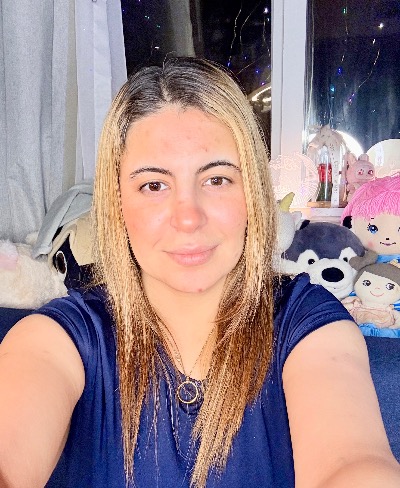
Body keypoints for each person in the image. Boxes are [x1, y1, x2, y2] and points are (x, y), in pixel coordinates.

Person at [0, 57, 399, 488]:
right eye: (154, 185)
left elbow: (352, 460)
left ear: (252, 193)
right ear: (118, 204)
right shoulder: (63, 337)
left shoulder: (306, 323)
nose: (188, 218)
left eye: (217, 180)